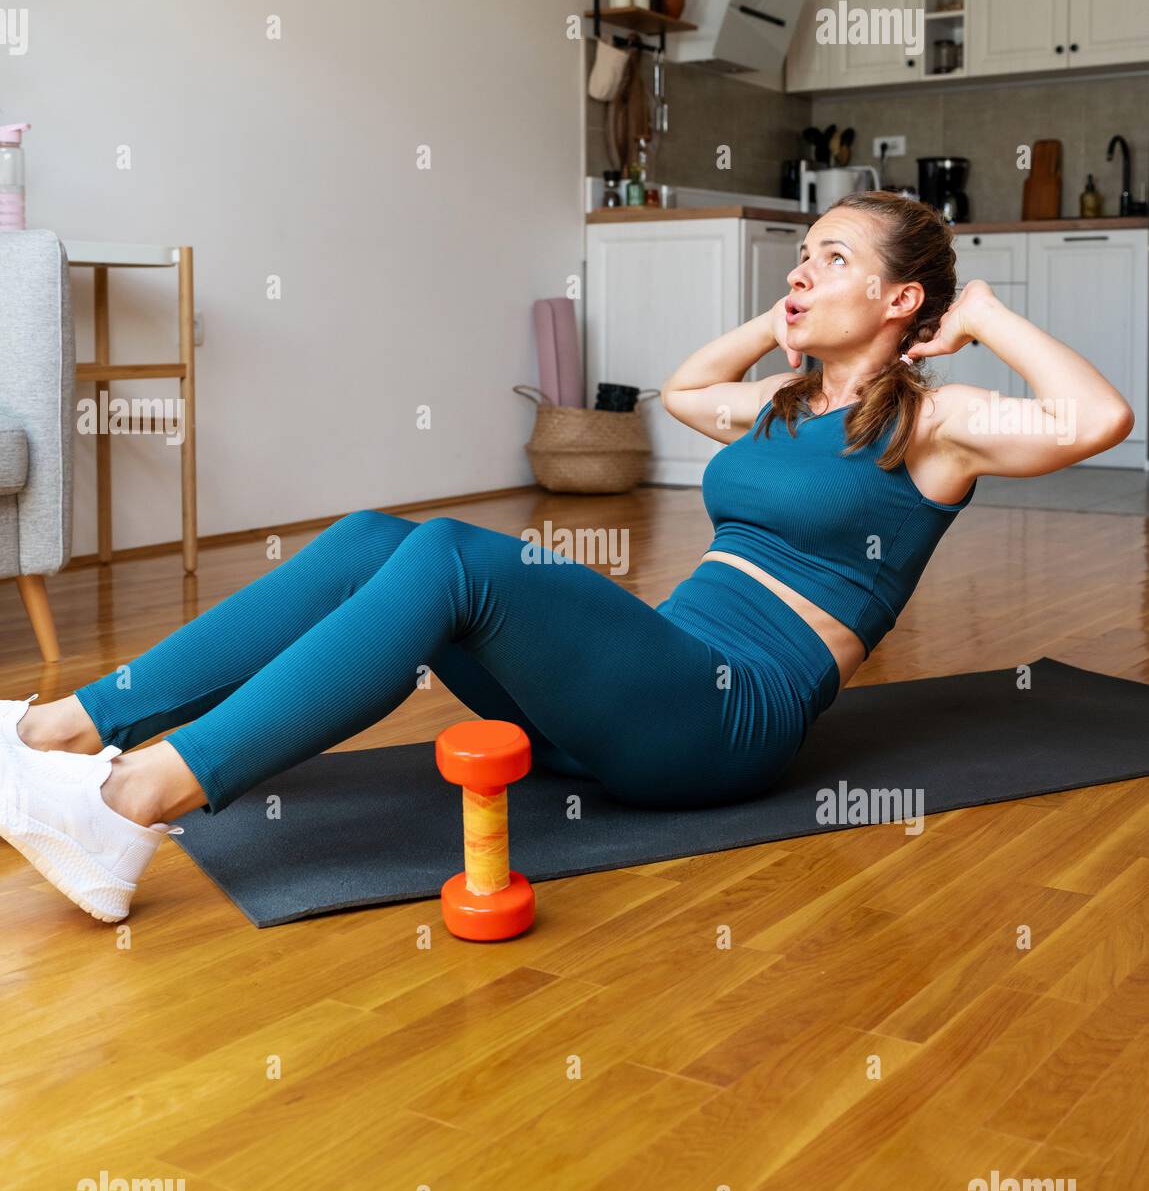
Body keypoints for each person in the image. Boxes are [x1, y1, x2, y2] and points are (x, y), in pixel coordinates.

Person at [0, 192, 1134, 922]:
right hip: (649, 677)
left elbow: (1096, 419)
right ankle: (65, 727)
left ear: (899, 297)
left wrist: (980, 309)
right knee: (371, 539)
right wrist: (779, 318)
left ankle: (134, 801)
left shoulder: (939, 424)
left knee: (452, 555)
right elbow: (683, 391)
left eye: (827, 256)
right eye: (797, 249)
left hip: (723, 718)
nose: (799, 267)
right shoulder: (781, 405)